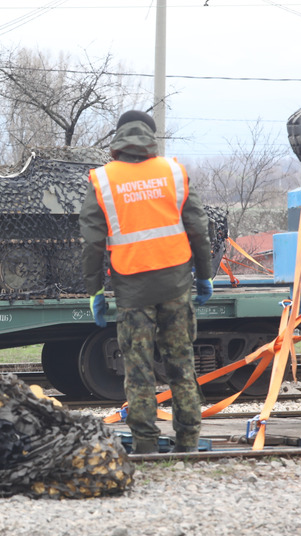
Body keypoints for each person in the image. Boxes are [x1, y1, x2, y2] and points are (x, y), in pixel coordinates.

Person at [79, 110, 214, 454]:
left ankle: (145, 444)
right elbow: (198, 227)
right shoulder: (172, 172)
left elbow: (92, 244)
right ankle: (188, 442)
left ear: (118, 138)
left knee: (138, 370)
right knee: (181, 364)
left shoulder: (103, 180)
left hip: (132, 291)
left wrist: (95, 290)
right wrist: (204, 274)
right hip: (176, 286)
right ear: (151, 138)